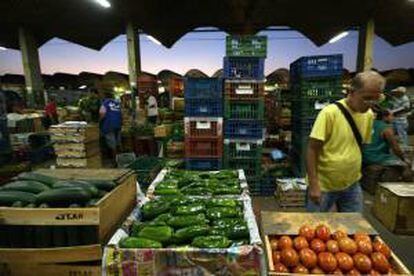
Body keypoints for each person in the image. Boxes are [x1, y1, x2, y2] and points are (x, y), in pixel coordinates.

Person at [306, 71, 386, 212]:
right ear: (351, 92)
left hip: (352, 183)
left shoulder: (368, 115)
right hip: (324, 185)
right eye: (366, 98)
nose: (370, 104)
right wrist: (314, 184)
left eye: (375, 99)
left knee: (354, 226)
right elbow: (312, 149)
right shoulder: (330, 113)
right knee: (315, 228)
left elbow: (361, 146)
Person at [362, 108, 412, 191]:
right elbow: (396, 148)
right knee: (406, 166)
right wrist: (404, 159)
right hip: (376, 157)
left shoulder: (368, 124)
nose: (393, 118)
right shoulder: (386, 128)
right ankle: (407, 192)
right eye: (391, 116)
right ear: (385, 117)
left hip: (365, 155)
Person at [100, 91, 122, 163]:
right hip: (118, 124)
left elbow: (102, 114)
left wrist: (99, 121)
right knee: (118, 143)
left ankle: (115, 161)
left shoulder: (105, 103)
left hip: (109, 125)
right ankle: (121, 158)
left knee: (112, 144)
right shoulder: (117, 103)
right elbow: (121, 114)